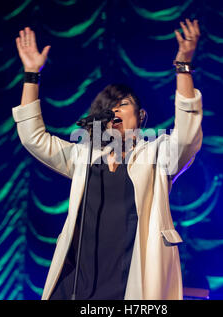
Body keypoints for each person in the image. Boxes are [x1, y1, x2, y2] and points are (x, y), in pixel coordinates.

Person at [12, 18, 204, 300]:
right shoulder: (84, 157)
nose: (115, 109)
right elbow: (34, 138)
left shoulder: (156, 155)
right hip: (79, 282)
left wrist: (183, 67)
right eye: (109, 106)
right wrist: (31, 74)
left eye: (123, 104)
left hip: (131, 283)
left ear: (140, 117)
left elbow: (187, 135)